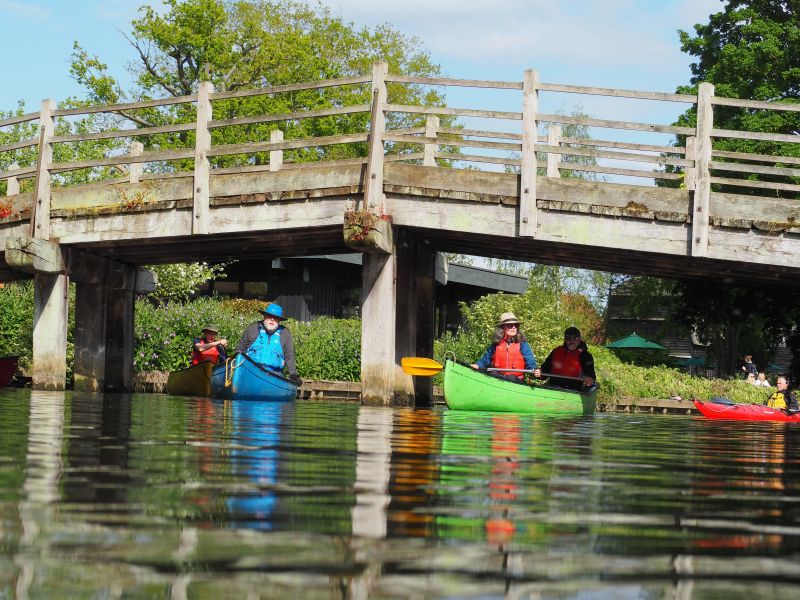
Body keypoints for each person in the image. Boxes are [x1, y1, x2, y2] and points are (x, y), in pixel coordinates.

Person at [234, 303, 300, 384]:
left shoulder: (285, 333)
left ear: (279, 320)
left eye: (276, 318)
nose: (272, 319)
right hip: (250, 371)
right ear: (264, 316)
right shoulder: (253, 328)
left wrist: (293, 374)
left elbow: (289, 356)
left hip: (274, 374)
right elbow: (239, 350)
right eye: (269, 316)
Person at [470, 312, 537, 381]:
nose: (514, 327)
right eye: (510, 325)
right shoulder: (496, 344)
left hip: (516, 379)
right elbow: (485, 360)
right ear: (502, 327)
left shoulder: (523, 344)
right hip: (498, 376)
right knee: (493, 373)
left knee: (511, 378)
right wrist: (477, 365)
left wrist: (534, 369)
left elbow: (530, 360)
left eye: (516, 325)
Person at [537, 326, 596, 390]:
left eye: (575, 338)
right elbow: (545, 370)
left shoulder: (586, 356)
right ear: (565, 339)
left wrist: (590, 380)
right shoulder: (556, 351)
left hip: (574, 389)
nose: (572, 341)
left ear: (579, 339)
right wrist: (540, 373)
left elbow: (591, 376)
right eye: (568, 338)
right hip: (553, 385)